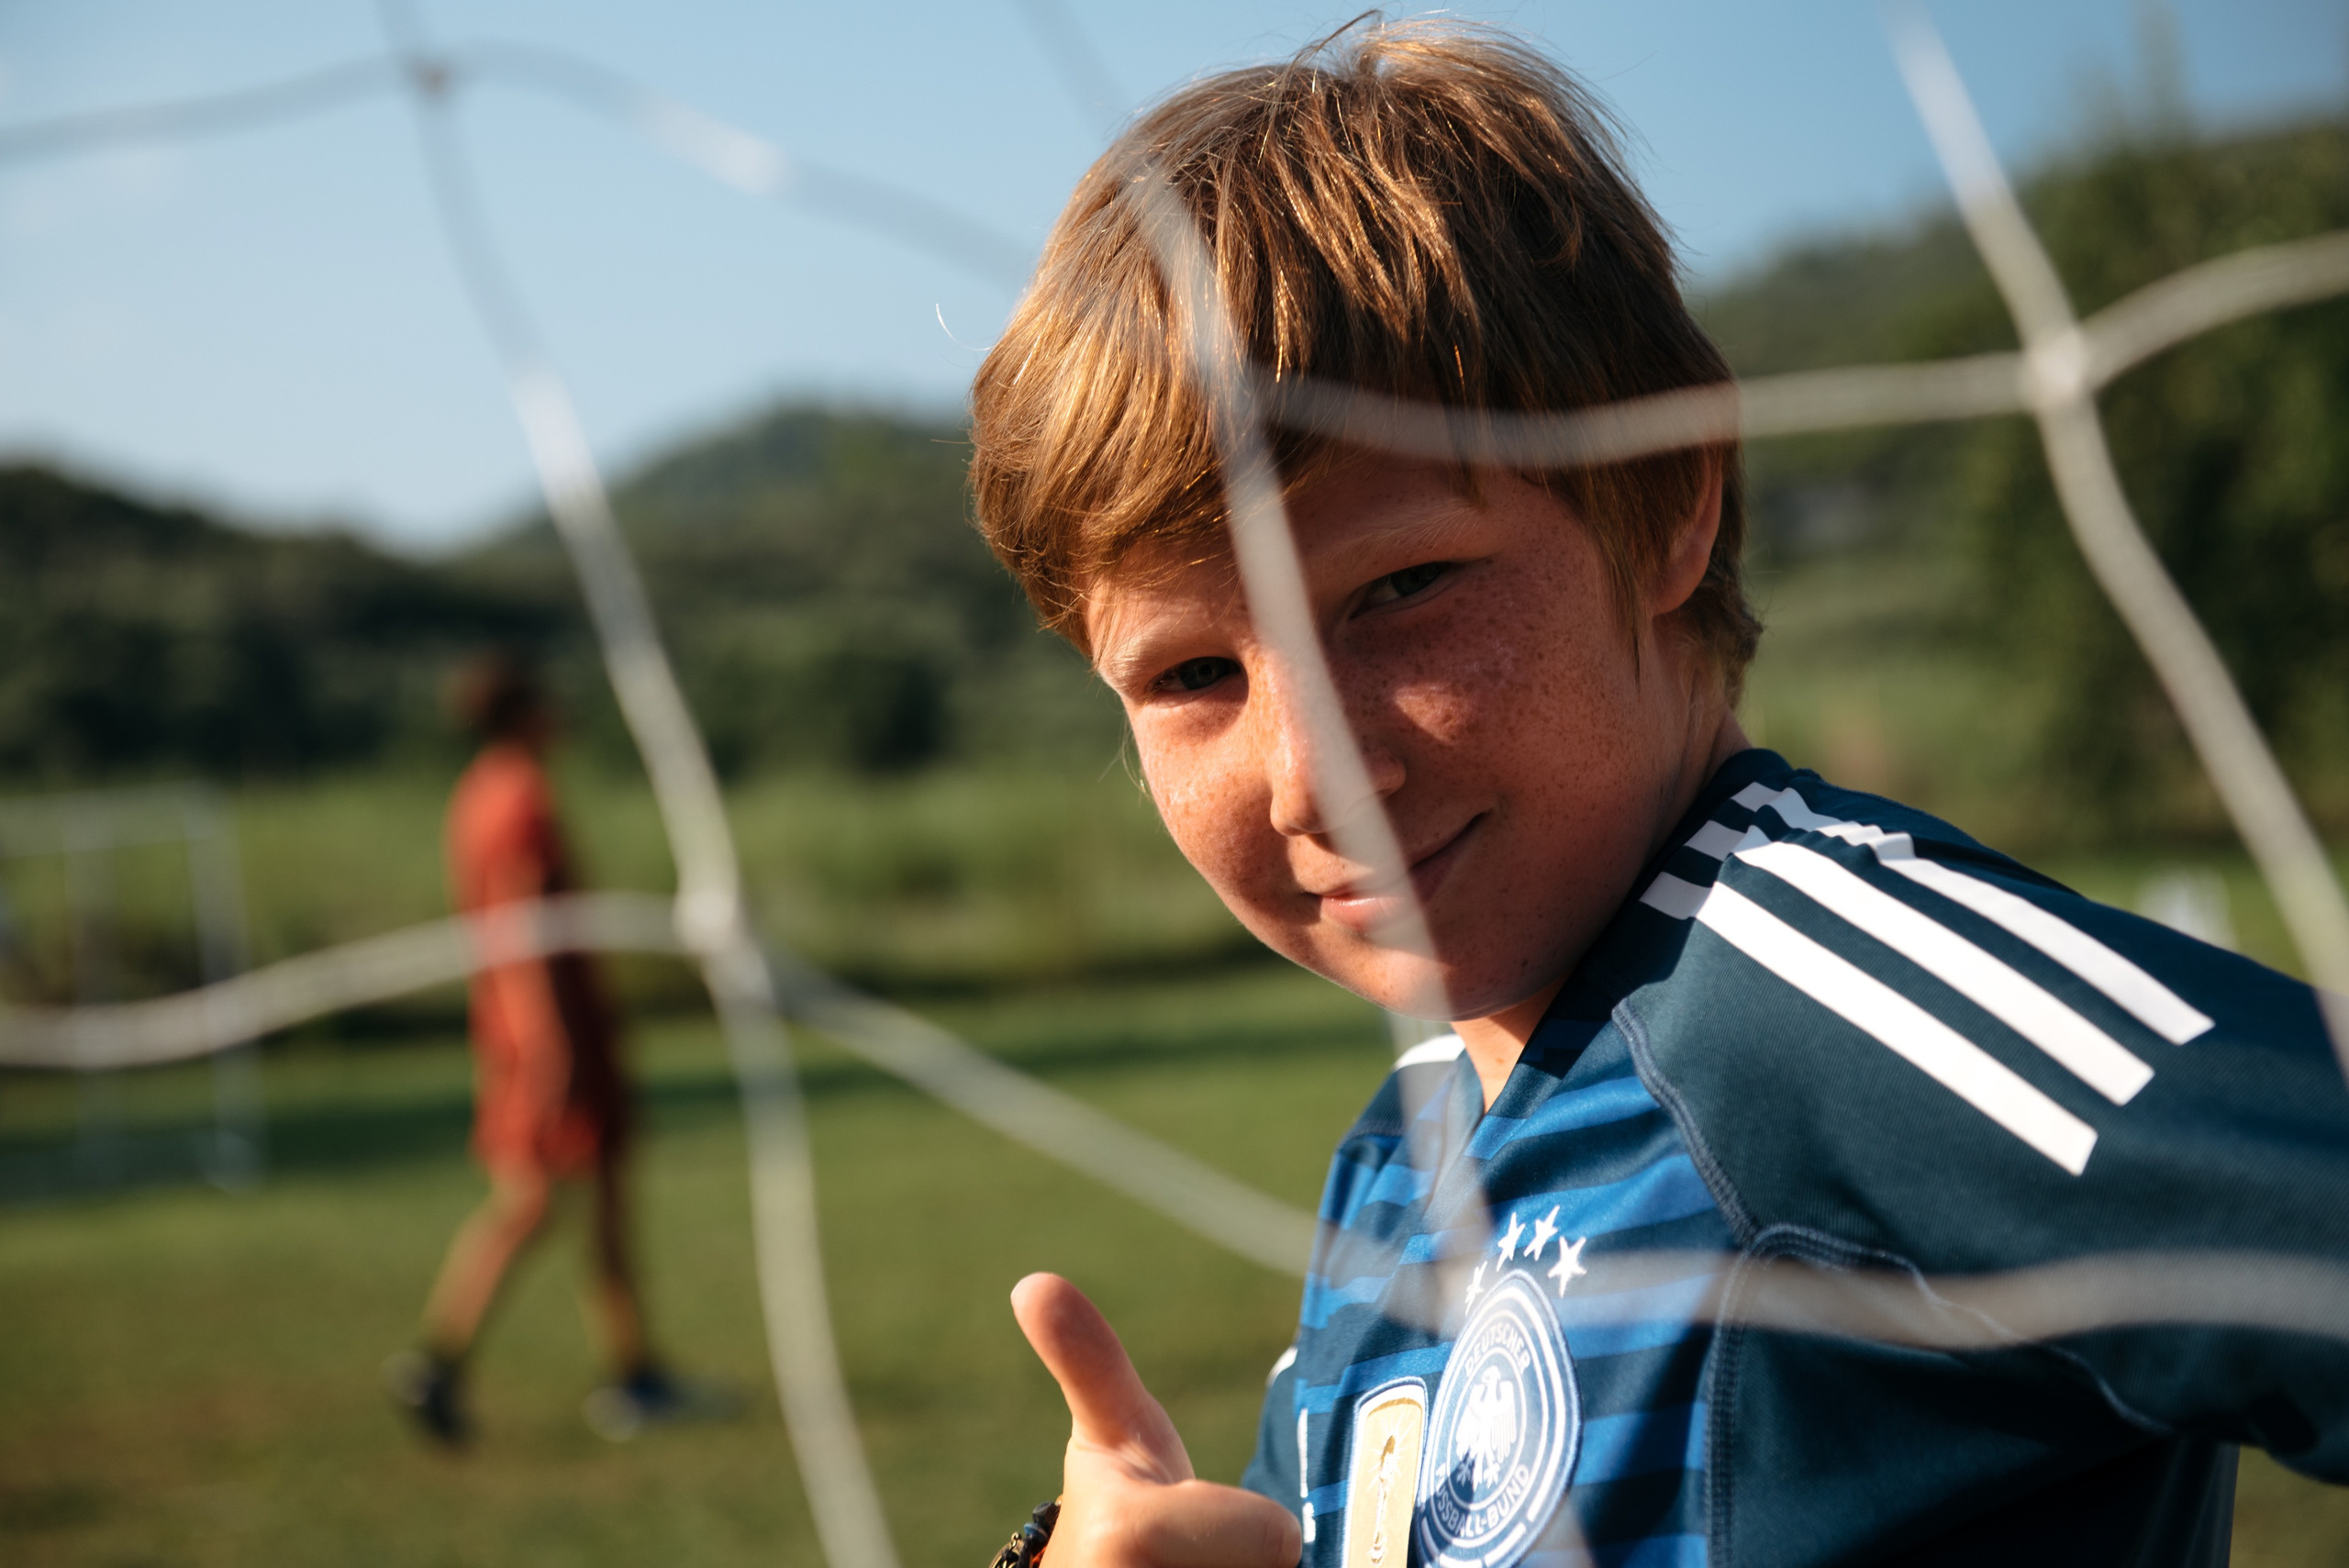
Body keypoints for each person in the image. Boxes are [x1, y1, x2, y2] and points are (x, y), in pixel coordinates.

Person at [963, 20, 2349, 1568]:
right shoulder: (1407, 1155)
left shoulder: (1829, 1004)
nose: (1313, 771)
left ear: (1673, 498)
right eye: (1189, 676)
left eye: (1404, 586)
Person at [385, 655, 687, 1446]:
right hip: (550, 1034)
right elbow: (525, 939)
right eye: (549, 696)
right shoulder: (519, 797)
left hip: (524, 1030)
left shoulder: (478, 791)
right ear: (523, 711)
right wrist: (551, 1051)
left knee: (597, 1205)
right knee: (534, 1204)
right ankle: (437, 1363)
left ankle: (633, 1371)